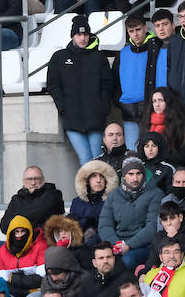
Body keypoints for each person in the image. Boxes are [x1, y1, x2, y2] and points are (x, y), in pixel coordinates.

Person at [47, 15, 114, 166]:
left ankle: (98, 190)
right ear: (72, 36)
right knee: (85, 159)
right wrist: (63, 107)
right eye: (79, 34)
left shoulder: (98, 57)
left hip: (95, 117)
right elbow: (53, 84)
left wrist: (103, 107)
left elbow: (107, 84)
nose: (83, 38)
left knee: (97, 159)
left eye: (85, 34)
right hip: (72, 118)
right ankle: (88, 190)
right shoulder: (60, 57)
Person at [98, 157, 163, 270]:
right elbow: (105, 225)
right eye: (130, 174)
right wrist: (116, 243)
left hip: (143, 245)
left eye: (138, 173)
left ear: (143, 175)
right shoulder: (114, 195)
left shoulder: (155, 194)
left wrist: (128, 245)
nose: (135, 178)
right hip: (116, 243)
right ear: (124, 176)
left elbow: (152, 226)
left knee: (125, 262)